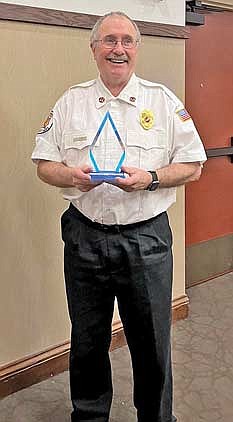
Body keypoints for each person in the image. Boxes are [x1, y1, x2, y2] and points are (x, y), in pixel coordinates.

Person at [31, 11, 206, 422]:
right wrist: (71, 175)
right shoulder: (71, 102)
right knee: (87, 339)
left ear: (137, 49)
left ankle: (157, 418)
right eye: (109, 40)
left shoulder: (162, 102)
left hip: (146, 240)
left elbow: (194, 165)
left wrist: (150, 178)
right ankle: (89, 416)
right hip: (84, 238)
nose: (118, 49)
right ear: (94, 49)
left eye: (127, 40)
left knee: (152, 342)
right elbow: (43, 164)